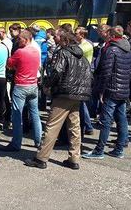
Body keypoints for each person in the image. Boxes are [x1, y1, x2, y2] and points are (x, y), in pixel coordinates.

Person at [25, 30, 93, 170]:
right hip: (79, 94)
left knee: (52, 125)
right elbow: (89, 75)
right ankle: (74, 158)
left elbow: (57, 71)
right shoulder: (82, 56)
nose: (55, 38)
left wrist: (47, 85)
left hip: (64, 93)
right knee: (74, 126)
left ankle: (41, 158)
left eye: (57, 37)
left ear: (64, 40)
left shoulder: (63, 53)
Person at [83, 26, 131, 159]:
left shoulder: (111, 50)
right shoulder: (128, 49)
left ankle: (99, 150)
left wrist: (101, 91)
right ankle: (119, 149)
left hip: (111, 89)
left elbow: (106, 72)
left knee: (105, 120)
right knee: (121, 119)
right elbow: (130, 72)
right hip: (123, 88)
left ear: (111, 35)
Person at [0, 30, 42, 152]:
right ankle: (38, 141)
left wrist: (15, 65)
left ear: (26, 39)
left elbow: (9, 64)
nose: (18, 41)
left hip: (21, 85)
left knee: (17, 115)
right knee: (35, 114)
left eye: (20, 39)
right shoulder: (36, 51)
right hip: (33, 84)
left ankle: (16, 143)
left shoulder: (19, 52)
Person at [74, 27, 94, 135]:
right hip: (79, 75)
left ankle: (88, 125)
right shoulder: (79, 45)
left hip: (83, 76)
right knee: (81, 102)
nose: (74, 35)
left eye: (76, 33)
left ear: (82, 35)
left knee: (81, 102)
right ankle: (87, 124)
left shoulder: (86, 46)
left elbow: (75, 54)